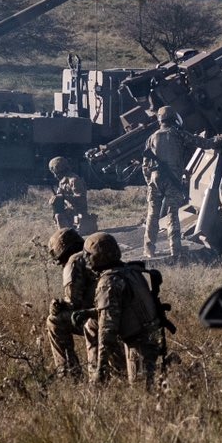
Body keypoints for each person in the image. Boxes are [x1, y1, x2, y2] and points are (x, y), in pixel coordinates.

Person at [85, 232, 166, 387]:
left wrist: (100, 370)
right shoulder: (132, 271)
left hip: (139, 346)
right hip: (152, 338)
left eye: (88, 255)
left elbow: (107, 330)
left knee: (141, 396)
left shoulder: (108, 283)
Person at [44, 227, 99, 378]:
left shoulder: (73, 262)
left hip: (97, 317)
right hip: (120, 313)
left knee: (54, 321)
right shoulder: (95, 254)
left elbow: (74, 303)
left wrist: (58, 306)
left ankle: (69, 374)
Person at [141, 107, 192, 260]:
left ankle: (149, 250)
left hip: (155, 179)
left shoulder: (151, 137)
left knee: (152, 214)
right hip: (172, 180)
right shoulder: (178, 134)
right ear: (173, 118)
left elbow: (145, 164)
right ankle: (175, 250)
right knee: (172, 215)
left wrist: (149, 181)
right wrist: (217, 142)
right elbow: (200, 142)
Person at [48, 156, 97, 236]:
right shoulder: (62, 182)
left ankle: (67, 235)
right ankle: (64, 235)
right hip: (70, 211)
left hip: (79, 212)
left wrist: (64, 196)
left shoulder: (74, 180)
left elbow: (81, 198)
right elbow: (59, 195)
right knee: (58, 216)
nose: (55, 175)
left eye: (55, 172)